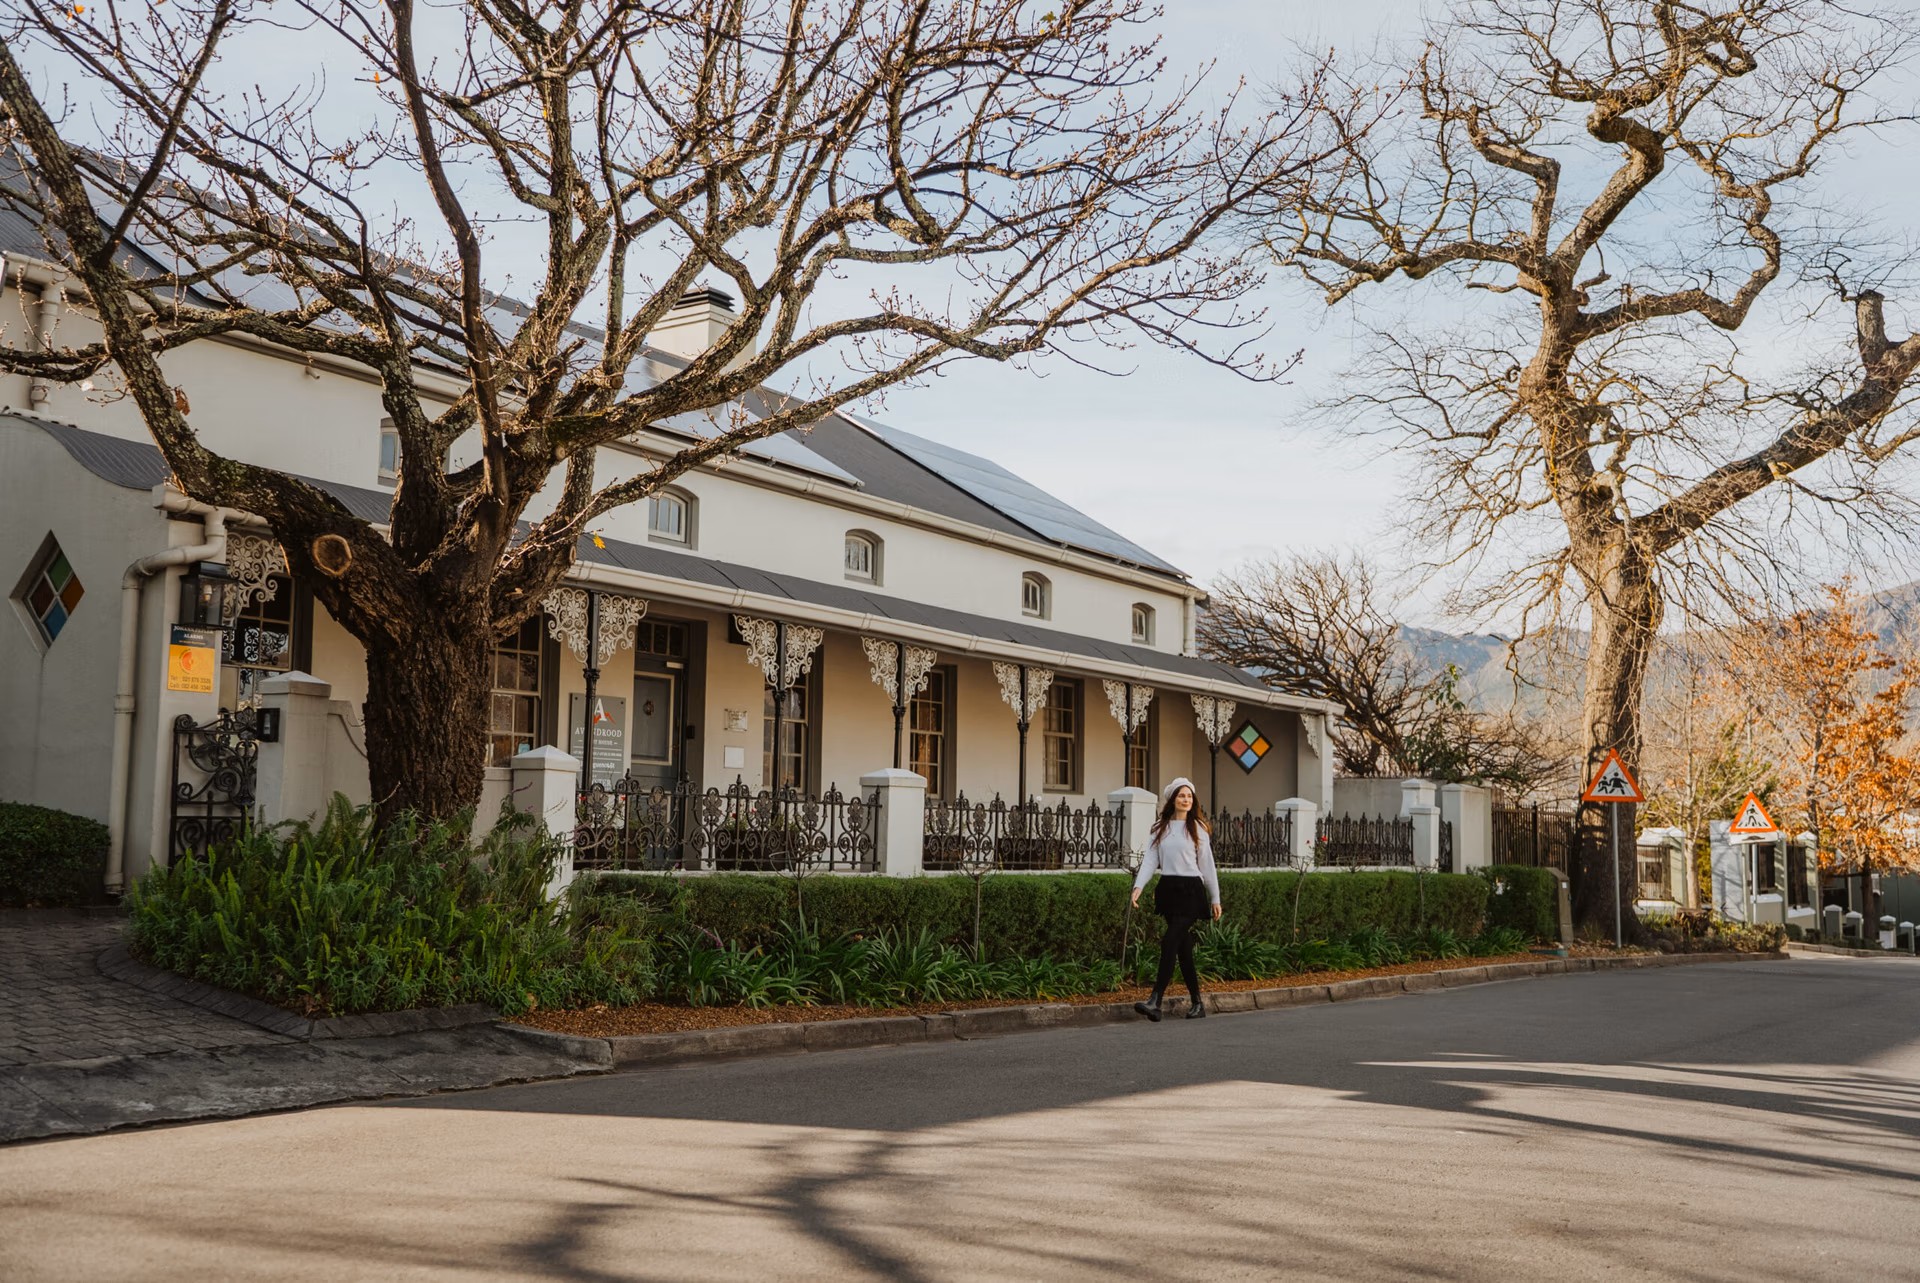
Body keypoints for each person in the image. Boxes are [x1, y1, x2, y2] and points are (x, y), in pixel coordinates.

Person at [1129, 777, 1221, 1021]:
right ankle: (1198, 1003)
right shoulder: (1160, 827)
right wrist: (1139, 886)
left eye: (1189, 796)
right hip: (1169, 890)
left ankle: (1155, 1000)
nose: (1186, 800)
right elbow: (1150, 860)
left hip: (1191, 891)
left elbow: (1208, 866)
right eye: (1181, 796)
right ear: (1172, 799)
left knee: (1170, 941)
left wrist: (1215, 898)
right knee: (1183, 950)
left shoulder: (1198, 829)